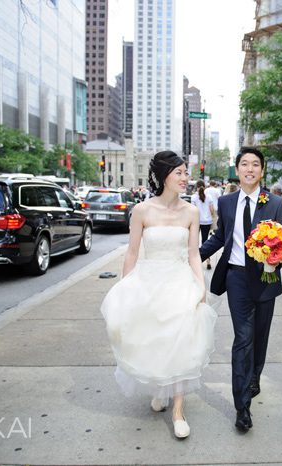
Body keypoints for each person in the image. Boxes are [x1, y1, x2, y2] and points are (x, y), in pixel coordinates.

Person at [101, 151, 218, 439]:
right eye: (178, 172)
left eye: (185, 173)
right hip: (148, 281)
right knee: (154, 339)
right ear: (164, 175)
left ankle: (178, 411)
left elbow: (193, 254)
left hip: (180, 282)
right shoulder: (142, 211)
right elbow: (131, 253)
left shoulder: (190, 211)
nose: (184, 178)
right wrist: (125, 289)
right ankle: (159, 389)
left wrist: (200, 285)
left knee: (181, 343)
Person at [200, 147, 282, 433]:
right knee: (243, 339)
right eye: (244, 164)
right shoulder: (226, 202)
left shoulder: (275, 202)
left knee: (260, 338)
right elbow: (219, 238)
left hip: (265, 279)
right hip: (236, 278)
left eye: (255, 165)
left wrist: (277, 257)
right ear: (237, 170)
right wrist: (192, 256)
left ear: (262, 171)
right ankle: (242, 406)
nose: (250, 169)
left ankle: (254, 376)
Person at [191, 180, 216, 270]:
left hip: (196, 221)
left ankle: (195, 261)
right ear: (204, 187)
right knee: (205, 242)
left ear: (196, 187)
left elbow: (192, 210)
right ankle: (208, 260)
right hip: (207, 221)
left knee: (195, 241)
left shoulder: (193, 197)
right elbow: (212, 210)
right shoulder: (208, 197)